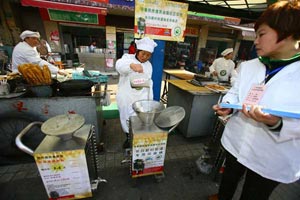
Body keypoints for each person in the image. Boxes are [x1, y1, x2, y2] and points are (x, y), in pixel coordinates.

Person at [209, 1, 300, 200]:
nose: (255, 41)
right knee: (228, 181)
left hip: (272, 156)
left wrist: (276, 123)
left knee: (254, 194)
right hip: (236, 141)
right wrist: (227, 106)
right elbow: (234, 92)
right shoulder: (249, 66)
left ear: (289, 31)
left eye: (262, 34)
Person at [115, 37, 157, 148]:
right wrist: (131, 66)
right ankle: (128, 138)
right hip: (127, 97)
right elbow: (119, 66)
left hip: (140, 98)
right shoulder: (127, 58)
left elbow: (148, 83)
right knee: (127, 119)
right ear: (137, 51)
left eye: (148, 55)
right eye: (143, 54)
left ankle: (136, 139)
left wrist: (149, 100)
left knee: (138, 120)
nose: (145, 57)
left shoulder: (149, 65)